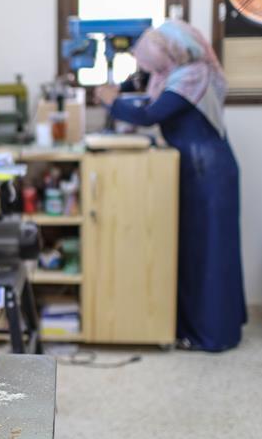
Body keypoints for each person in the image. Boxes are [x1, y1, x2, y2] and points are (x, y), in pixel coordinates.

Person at [94, 20, 247, 352]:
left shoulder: (194, 74)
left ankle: (212, 334)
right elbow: (154, 108)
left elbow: (151, 115)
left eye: (154, 62)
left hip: (209, 174)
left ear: (172, 51)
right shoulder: (174, 76)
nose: (152, 70)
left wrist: (111, 101)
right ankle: (193, 328)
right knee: (194, 252)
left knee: (209, 253)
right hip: (194, 170)